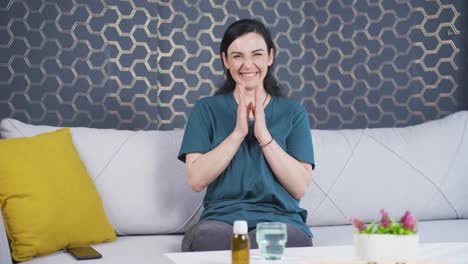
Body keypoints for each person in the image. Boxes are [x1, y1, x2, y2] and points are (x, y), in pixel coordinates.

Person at [177, 18, 315, 252]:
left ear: (270, 57)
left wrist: (263, 135)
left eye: (257, 54)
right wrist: (239, 132)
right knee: (205, 240)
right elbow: (196, 179)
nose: (247, 64)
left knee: (274, 243)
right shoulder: (206, 109)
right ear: (225, 61)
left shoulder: (293, 113)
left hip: (280, 220)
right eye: (237, 56)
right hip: (220, 221)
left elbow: (299, 187)